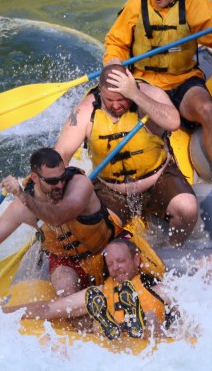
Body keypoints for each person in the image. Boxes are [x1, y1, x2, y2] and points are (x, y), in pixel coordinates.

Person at [104, 0, 212, 203]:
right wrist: (114, 60)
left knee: (206, 109)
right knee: (149, 122)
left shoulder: (196, 5)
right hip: (146, 82)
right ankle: (150, 183)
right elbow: (115, 43)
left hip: (183, 80)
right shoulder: (135, 7)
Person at [0, 147, 122, 296]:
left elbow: (58, 217)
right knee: (65, 287)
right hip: (68, 260)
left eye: (62, 177)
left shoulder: (79, 184)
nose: (59, 185)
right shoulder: (21, 208)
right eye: (52, 181)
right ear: (35, 178)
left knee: (122, 271)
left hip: (107, 245)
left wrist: (21, 194)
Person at [53, 63, 197, 246]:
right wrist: (56, 193)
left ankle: (173, 249)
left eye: (121, 99)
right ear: (101, 91)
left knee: (188, 208)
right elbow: (61, 154)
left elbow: (173, 122)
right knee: (97, 235)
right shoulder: (86, 110)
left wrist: (134, 94)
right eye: (109, 100)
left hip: (158, 177)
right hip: (111, 188)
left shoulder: (147, 94)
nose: (116, 105)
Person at [3, 236, 175, 342]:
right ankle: (112, 325)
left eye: (121, 261)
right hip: (113, 349)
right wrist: (4, 313)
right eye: (111, 264)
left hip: (150, 345)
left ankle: (136, 322)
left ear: (136, 260)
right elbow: (49, 308)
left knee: (150, 319)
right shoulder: (99, 293)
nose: (116, 268)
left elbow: (191, 318)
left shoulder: (159, 290)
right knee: (97, 320)